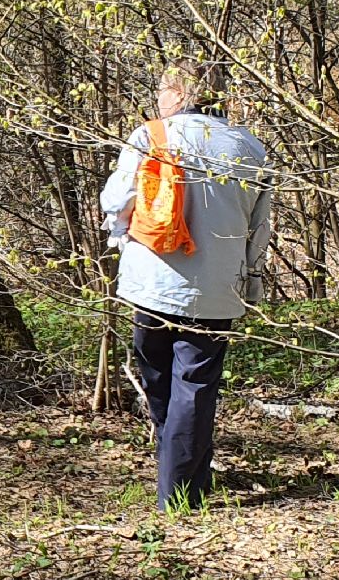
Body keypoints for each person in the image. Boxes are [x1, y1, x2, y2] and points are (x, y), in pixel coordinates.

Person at [99, 60, 272, 510]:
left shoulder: (151, 137)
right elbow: (259, 227)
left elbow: (117, 199)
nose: (158, 97)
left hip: (151, 283)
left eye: (162, 88)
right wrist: (251, 282)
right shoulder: (250, 148)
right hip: (218, 289)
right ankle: (185, 478)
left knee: (160, 378)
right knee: (194, 384)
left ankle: (175, 493)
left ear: (179, 94)